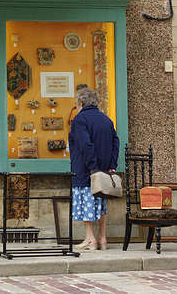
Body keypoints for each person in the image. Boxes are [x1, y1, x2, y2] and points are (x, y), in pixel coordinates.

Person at [68, 87, 120, 250]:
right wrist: (111, 165)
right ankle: (102, 238)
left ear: (81, 103)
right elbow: (115, 143)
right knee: (100, 202)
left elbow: (85, 145)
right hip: (104, 170)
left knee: (86, 203)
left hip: (86, 170)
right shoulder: (106, 120)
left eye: (76, 103)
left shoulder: (79, 120)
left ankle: (90, 239)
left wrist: (93, 168)